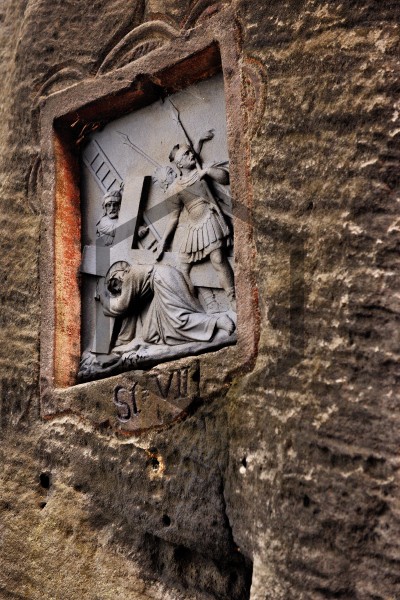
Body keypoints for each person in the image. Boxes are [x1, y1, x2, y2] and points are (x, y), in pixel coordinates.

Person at [154, 144, 236, 310]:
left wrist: (207, 171)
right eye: (186, 154)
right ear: (179, 164)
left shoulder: (201, 172)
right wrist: (163, 241)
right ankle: (193, 305)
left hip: (209, 217)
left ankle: (232, 298)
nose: (191, 154)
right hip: (194, 227)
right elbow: (174, 217)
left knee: (218, 259)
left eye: (190, 152)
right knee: (181, 267)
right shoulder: (176, 188)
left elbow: (225, 178)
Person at [98, 262, 235, 351]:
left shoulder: (130, 275)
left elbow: (122, 306)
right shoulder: (134, 273)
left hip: (164, 279)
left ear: (120, 272)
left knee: (178, 319)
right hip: (161, 284)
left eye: (115, 283)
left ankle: (218, 322)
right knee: (150, 333)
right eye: (114, 288)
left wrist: (103, 298)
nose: (118, 287)